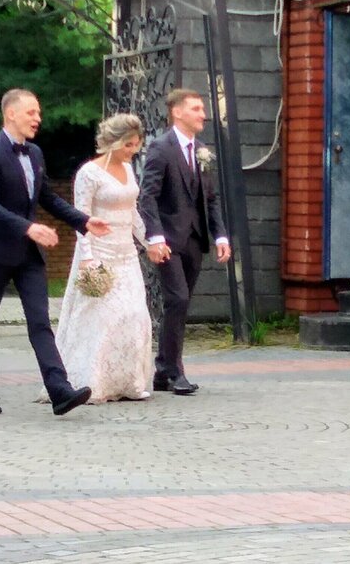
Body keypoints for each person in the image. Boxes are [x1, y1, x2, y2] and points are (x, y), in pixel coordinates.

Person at [0, 88, 109, 417]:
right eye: (31, 112)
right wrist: (28, 227)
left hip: (29, 256)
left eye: (38, 113)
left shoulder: (36, 154)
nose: (37, 118)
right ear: (11, 114)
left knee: (40, 321)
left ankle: (59, 389)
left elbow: (48, 198)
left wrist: (83, 221)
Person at [51, 113, 155, 403]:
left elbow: (132, 211)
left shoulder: (129, 169)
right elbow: (81, 218)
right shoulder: (89, 173)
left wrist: (149, 242)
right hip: (99, 251)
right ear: (113, 142)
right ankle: (93, 381)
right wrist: (87, 257)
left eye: (136, 145)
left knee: (135, 314)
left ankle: (129, 381)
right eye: (128, 145)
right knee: (103, 318)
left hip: (126, 253)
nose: (133, 150)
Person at [137, 88, 230, 396]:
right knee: (177, 299)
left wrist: (220, 235)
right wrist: (155, 236)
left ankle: (163, 370)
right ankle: (175, 371)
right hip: (167, 239)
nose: (203, 114)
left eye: (202, 108)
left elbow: (210, 198)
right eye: (196, 109)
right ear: (177, 112)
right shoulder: (160, 148)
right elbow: (148, 195)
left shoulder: (202, 150)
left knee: (181, 302)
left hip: (194, 239)